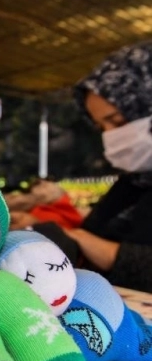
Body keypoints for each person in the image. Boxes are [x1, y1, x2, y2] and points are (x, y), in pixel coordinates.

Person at [39, 42, 152, 293]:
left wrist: (93, 245)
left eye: (118, 121)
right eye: (102, 128)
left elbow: (87, 238)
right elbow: (88, 232)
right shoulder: (132, 183)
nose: (110, 137)